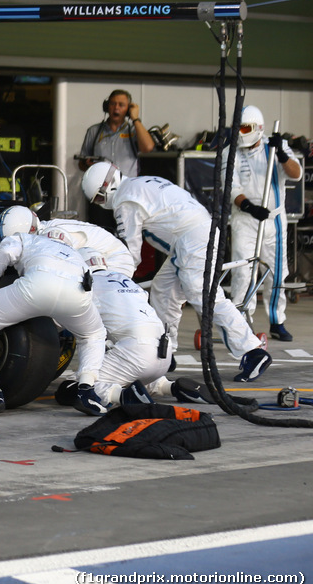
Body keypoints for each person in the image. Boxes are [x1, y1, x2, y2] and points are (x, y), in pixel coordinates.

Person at [82, 163, 272, 382]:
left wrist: (109, 280)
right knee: (163, 291)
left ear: (107, 187)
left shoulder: (125, 201)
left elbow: (130, 254)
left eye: (98, 199)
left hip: (192, 239)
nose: (100, 204)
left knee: (204, 296)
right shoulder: (140, 183)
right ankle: (164, 352)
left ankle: (252, 351)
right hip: (192, 236)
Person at [0, 206, 107, 416]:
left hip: (38, 285)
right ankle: (87, 390)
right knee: (94, 334)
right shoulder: (69, 248)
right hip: (78, 291)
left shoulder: (23, 238)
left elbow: (8, 251)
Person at [54, 249, 170, 410]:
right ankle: (168, 386)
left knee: (68, 390)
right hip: (164, 354)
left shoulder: (87, 284)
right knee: (128, 373)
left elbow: (58, 323)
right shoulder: (125, 279)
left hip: (136, 352)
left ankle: (124, 397)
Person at [226, 106, 303, 342]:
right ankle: (241, 320)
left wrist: (281, 154)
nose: (241, 133)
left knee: (276, 273)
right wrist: (248, 206)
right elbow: (231, 188)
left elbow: (296, 174)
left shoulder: (275, 146)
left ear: (258, 128)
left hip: (274, 222)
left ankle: (276, 321)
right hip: (245, 219)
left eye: (245, 128)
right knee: (242, 271)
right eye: (238, 127)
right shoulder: (231, 153)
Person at [77, 89, 155, 229]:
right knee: (100, 235)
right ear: (107, 106)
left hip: (127, 194)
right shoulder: (94, 131)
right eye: (113, 104)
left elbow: (148, 147)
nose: (116, 108)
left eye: (121, 105)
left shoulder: (133, 130)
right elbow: (81, 164)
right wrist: (88, 165)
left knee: (127, 236)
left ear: (128, 109)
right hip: (99, 195)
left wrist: (135, 119)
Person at [37, 216, 138, 277]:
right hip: (111, 257)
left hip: (117, 263)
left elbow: (56, 263)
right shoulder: (44, 227)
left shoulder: (52, 235)